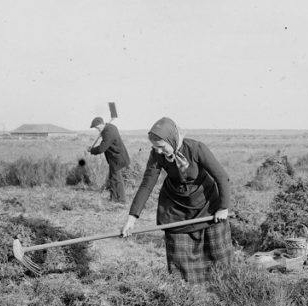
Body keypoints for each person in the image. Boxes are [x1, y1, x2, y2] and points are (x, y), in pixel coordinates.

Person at [122, 117, 233, 285]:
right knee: (180, 264)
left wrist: (223, 208)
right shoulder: (156, 155)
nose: (158, 151)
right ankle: (186, 296)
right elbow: (147, 185)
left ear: (171, 140)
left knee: (219, 258)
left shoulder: (196, 148)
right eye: (154, 147)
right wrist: (132, 219)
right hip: (176, 209)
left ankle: (222, 292)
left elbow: (222, 177)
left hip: (206, 205)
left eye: (161, 146)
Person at [89, 116, 130, 203]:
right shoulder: (110, 127)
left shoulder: (108, 131)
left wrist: (91, 150)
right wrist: (102, 133)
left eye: (97, 127)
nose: (97, 129)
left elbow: (102, 148)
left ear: (101, 125)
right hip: (115, 157)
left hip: (117, 158)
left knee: (116, 179)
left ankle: (121, 200)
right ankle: (114, 198)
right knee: (113, 178)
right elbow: (105, 143)